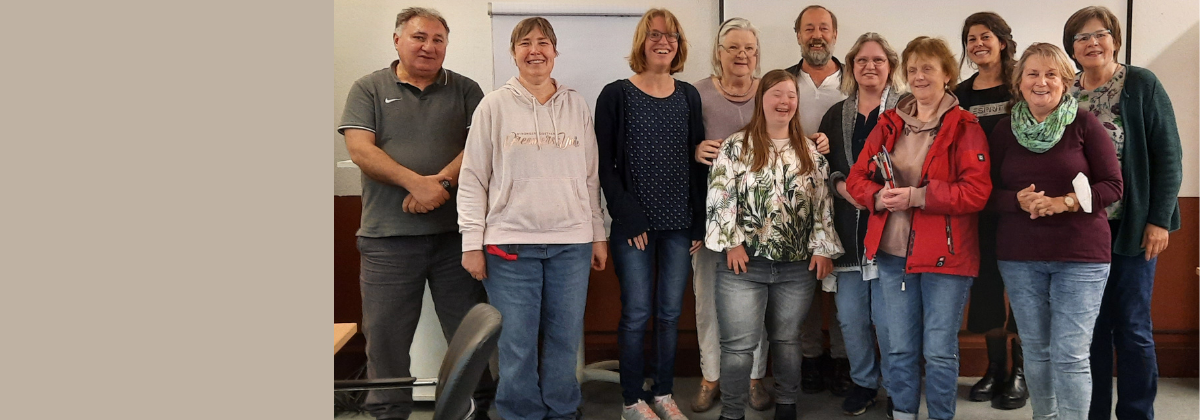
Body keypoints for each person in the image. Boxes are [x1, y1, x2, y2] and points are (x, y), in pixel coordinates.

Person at [338, 7, 492, 420]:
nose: (429, 46)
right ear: (397, 40)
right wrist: (414, 183)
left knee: (470, 334)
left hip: (456, 239)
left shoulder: (466, 89)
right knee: (386, 340)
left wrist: (438, 183)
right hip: (387, 240)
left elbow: (481, 147)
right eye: (419, 37)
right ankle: (388, 412)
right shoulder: (368, 88)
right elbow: (360, 149)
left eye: (438, 39)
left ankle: (477, 410)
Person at [456, 17, 609, 420]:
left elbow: (591, 176)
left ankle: (562, 410)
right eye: (525, 43)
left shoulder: (576, 104)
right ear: (513, 53)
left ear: (556, 52)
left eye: (543, 42)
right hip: (509, 244)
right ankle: (519, 413)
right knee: (516, 341)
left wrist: (597, 234)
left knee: (564, 337)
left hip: (571, 244)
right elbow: (473, 178)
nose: (535, 50)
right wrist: (472, 242)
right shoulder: (493, 105)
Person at [846, 36, 992, 420]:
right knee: (898, 348)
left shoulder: (965, 126)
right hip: (893, 255)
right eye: (912, 69)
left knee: (939, 350)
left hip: (947, 257)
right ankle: (904, 414)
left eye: (928, 68)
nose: (919, 76)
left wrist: (919, 197)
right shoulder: (890, 122)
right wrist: (876, 197)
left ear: (947, 74)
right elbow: (858, 177)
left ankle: (941, 416)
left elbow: (976, 192)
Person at [990, 42, 1124, 420]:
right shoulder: (1004, 129)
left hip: (1080, 257)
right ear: (1019, 82)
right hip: (1019, 257)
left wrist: (1065, 201)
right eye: (1032, 73)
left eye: (1051, 74)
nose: (1041, 82)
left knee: (1070, 354)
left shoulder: (1085, 123)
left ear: (1066, 82)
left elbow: (1113, 186)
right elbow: (985, 193)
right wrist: (1016, 200)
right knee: (1035, 350)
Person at [1062, 6, 1183, 420]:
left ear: (1115, 38)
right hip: (1080, 230)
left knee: (1132, 328)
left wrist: (1159, 220)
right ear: (1071, 48)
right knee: (1089, 331)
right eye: (1081, 37)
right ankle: (1091, 413)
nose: (1092, 42)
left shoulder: (1140, 83)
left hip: (1132, 227)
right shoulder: (1065, 91)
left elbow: (1168, 155)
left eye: (1100, 34)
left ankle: (1135, 413)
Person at [705, 68, 844, 420]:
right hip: (743, 265)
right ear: (761, 99)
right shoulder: (736, 146)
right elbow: (721, 196)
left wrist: (822, 247)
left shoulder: (810, 151)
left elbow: (823, 202)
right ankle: (732, 412)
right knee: (738, 347)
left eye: (791, 96)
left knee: (787, 341)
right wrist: (732, 243)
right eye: (776, 94)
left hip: (796, 267)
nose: (784, 102)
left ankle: (787, 404)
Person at [595, 8, 706, 420]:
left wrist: (699, 220)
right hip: (633, 228)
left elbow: (698, 161)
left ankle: (662, 392)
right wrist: (629, 218)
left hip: (679, 224)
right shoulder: (616, 94)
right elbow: (605, 165)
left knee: (670, 314)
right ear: (642, 41)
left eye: (672, 36)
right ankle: (631, 400)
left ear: (679, 45)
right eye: (655, 34)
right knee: (637, 311)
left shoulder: (688, 94)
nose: (664, 42)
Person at [817, 31, 903, 417]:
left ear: (891, 67)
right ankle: (865, 383)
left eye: (878, 60)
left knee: (889, 323)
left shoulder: (909, 109)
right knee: (851, 320)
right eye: (862, 60)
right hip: (848, 231)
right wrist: (841, 184)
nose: (870, 67)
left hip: (893, 233)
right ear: (851, 67)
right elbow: (826, 165)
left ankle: (898, 388)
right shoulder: (836, 114)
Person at [689, 17, 772, 414]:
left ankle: (755, 378)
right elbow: (680, 150)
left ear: (757, 55)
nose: (742, 55)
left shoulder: (770, 92)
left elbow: (789, 140)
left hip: (763, 223)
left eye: (749, 49)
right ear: (718, 54)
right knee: (707, 302)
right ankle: (711, 377)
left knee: (757, 303)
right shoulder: (696, 94)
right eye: (733, 47)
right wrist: (694, 151)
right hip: (710, 222)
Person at [954, 11, 1028, 409]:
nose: (977, 44)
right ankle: (995, 367)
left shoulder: (1022, 85)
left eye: (985, 36)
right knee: (985, 288)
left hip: (1020, 204)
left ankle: (1021, 370)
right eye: (970, 39)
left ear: (1002, 40)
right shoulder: (960, 95)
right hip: (976, 208)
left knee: (1021, 288)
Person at [782, 5, 849, 395]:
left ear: (835, 35)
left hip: (846, 197)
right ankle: (810, 357)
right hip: (797, 201)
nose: (817, 35)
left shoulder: (854, 79)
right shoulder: (782, 81)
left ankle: (843, 358)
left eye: (824, 28)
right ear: (798, 35)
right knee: (803, 281)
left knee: (843, 281)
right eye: (809, 29)